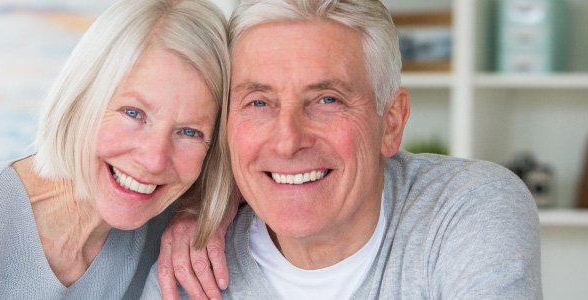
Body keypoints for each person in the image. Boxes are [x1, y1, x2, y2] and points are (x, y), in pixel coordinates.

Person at [144, 0, 542, 299]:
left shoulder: (467, 208)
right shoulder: (191, 263)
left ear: (391, 122)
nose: (288, 141)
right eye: (259, 103)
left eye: (327, 100)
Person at [0, 0, 233, 299]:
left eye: (189, 132)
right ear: (82, 98)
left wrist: (207, 213)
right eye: (133, 113)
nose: (154, 159)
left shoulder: (164, 223)